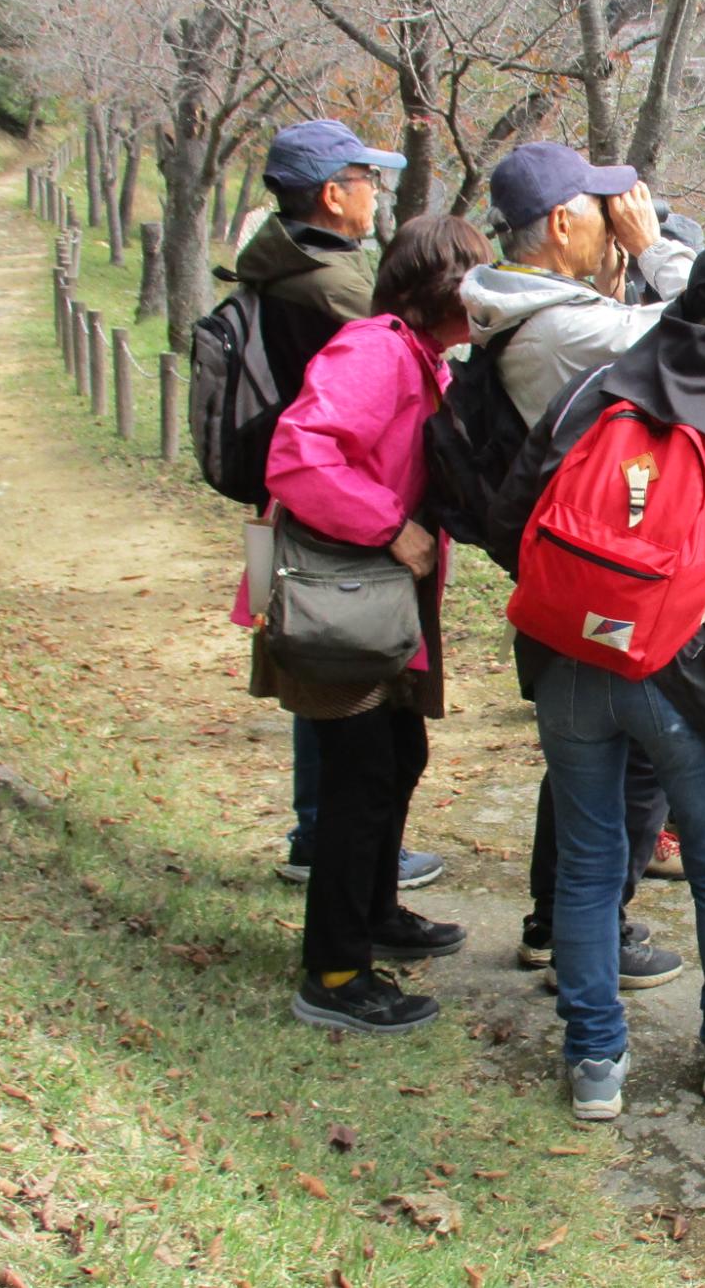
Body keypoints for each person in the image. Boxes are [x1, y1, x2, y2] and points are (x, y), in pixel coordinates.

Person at [490, 236, 705, 1119]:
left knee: (588, 863)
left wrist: (586, 604)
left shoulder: (591, 397)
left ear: (677, 305)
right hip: (693, 678)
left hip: (568, 668)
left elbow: (514, 518)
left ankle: (595, 1059)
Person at [459, 142, 695, 990]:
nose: (616, 217)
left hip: (564, 557)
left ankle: (552, 922)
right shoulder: (567, 329)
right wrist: (658, 248)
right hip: (599, 566)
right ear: (562, 223)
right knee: (627, 756)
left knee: (577, 753)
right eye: (602, 208)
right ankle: (593, 931)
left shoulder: (522, 305)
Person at [262, 214, 492, 1034]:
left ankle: (377, 913)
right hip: (340, 602)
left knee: (397, 754)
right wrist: (388, 527)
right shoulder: (373, 351)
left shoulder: (416, 355)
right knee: (357, 781)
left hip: (376, 602)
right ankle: (333, 970)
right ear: (446, 292)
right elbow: (300, 455)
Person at [242, 118, 444, 895]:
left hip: (297, 512)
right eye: (369, 181)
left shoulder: (275, 262)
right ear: (333, 194)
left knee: (315, 659)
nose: (377, 195)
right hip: (339, 514)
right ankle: (333, 841)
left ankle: (322, 832)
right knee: (338, 669)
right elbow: (316, 441)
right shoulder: (340, 290)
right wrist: (390, 523)